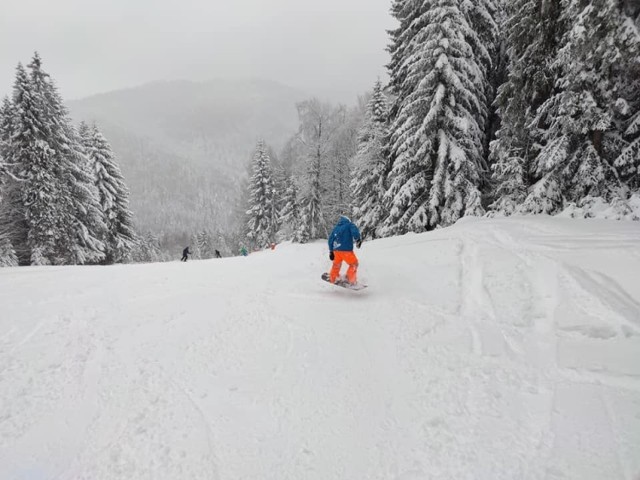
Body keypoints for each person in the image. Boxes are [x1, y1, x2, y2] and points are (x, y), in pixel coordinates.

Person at [328, 216, 362, 285]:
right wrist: (358, 239)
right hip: (346, 250)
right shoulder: (349, 224)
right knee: (354, 264)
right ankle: (350, 279)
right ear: (348, 220)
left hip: (336, 251)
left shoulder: (336, 228)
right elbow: (355, 231)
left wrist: (331, 251)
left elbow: (331, 239)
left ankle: (333, 278)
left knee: (336, 265)